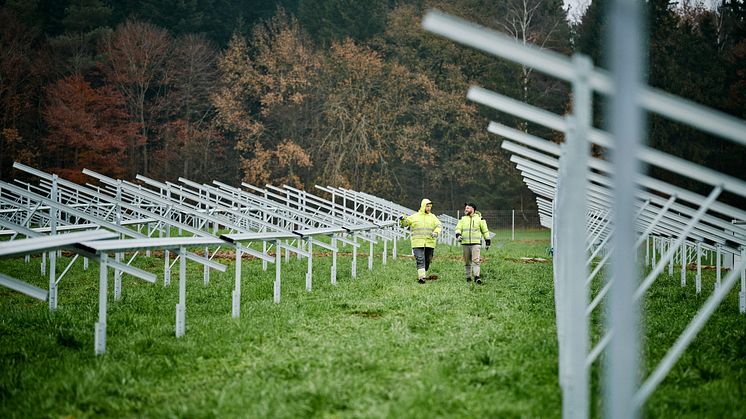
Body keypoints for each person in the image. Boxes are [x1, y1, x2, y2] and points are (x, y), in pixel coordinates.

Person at [399, 198, 442, 284]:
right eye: (427, 206)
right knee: (420, 259)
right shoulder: (414, 216)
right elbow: (404, 224)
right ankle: (421, 278)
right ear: (423, 206)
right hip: (417, 243)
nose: (429, 208)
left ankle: (423, 272)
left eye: (430, 206)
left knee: (428, 260)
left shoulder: (433, 217)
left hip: (430, 243)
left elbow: (439, 226)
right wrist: (402, 219)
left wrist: (436, 232)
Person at [455, 202, 491, 284]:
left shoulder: (480, 219)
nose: (466, 210)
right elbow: (458, 228)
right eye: (465, 208)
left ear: (472, 209)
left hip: (476, 244)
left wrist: (487, 241)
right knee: (467, 262)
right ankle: (468, 277)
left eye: (467, 208)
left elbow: (485, 231)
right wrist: (458, 235)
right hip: (465, 243)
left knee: (476, 261)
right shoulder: (462, 219)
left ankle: (477, 277)